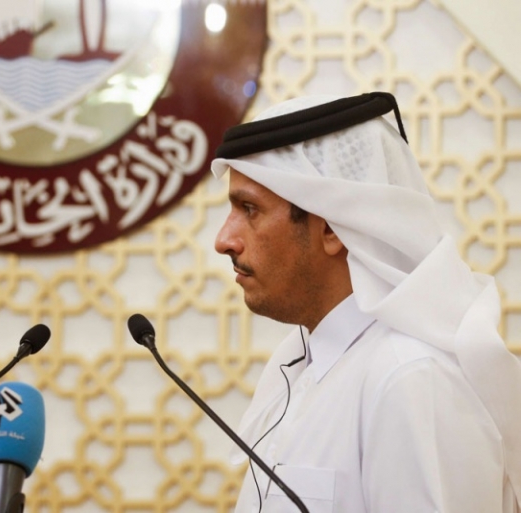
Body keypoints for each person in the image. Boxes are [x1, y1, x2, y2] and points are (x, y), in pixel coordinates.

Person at [211, 92, 521, 512]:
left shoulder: (410, 379)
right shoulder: (301, 367)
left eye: (250, 209)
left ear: (331, 228)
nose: (224, 240)